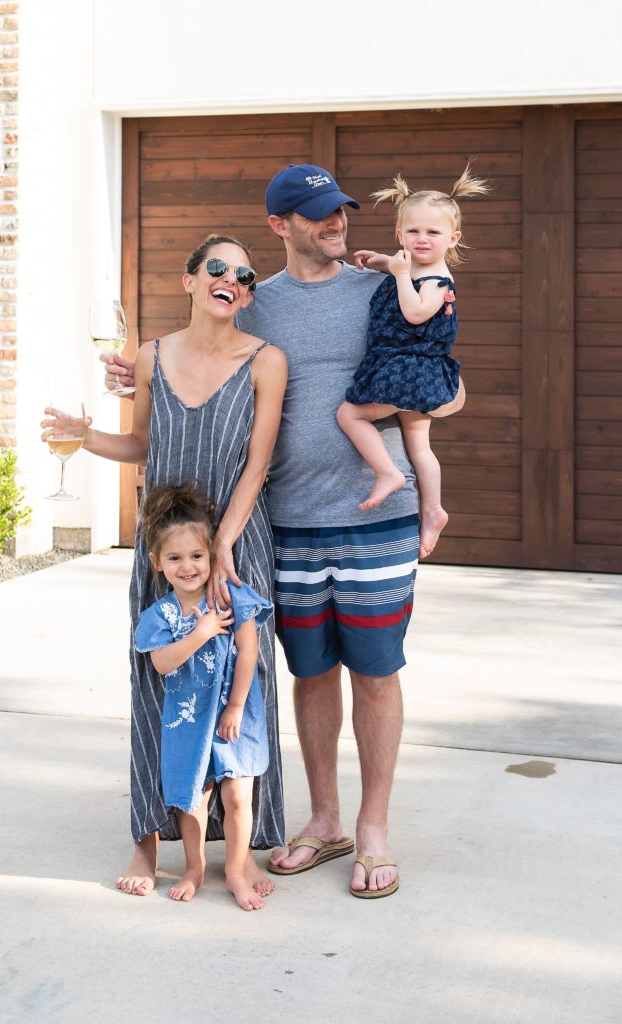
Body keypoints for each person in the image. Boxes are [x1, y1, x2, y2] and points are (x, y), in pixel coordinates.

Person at [106, 165, 420, 899]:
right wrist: (135, 380)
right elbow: (196, 368)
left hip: (373, 516)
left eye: (341, 210)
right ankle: (325, 822)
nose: (338, 223)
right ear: (281, 225)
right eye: (320, 215)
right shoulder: (258, 306)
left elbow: (443, 369)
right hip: (291, 524)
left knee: (375, 671)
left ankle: (372, 830)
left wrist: (437, 396)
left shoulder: (381, 290)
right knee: (310, 674)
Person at [44, 234, 288, 899]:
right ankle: (146, 841)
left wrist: (226, 548)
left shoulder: (268, 362)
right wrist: (80, 434)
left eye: (245, 274)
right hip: (166, 551)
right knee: (157, 686)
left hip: (236, 551)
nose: (232, 279)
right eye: (218, 268)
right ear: (189, 281)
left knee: (244, 684)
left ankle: (239, 848)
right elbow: (143, 443)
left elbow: (258, 465)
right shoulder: (150, 355)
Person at [337, 165, 489, 557]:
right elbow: (400, 265)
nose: (422, 239)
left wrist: (399, 274)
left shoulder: (438, 280)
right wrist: (379, 262)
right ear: (400, 234)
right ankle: (433, 510)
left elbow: (416, 313)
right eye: (413, 231)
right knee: (419, 445)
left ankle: (387, 472)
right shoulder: (411, 264)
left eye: (433, 232)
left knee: (350, 416)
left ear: (453, 238)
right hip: (407, 369)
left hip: (409, 370)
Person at [135, 482, 274, 911]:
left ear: (212, 556)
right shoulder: (162, 615)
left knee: (236, 796)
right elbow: (161, 664)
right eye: (175, 558)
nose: (188, 566)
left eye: (196, 556)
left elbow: (249, 650)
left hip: (234, 716)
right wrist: (199, 633)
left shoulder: (231, 597)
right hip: (187, 719)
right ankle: (194, 866)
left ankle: (235, 869)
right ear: (158, 563)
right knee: (193, 800)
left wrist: (234, 705)